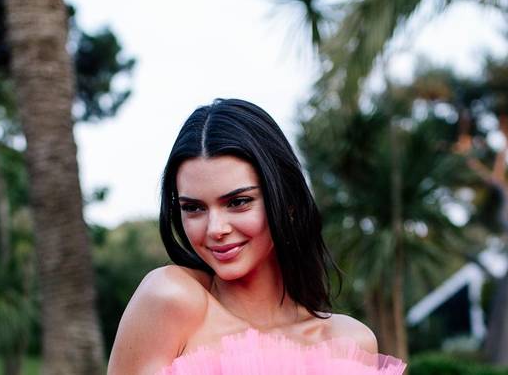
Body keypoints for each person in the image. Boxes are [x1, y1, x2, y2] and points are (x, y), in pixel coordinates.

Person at [107, 98, 406, 375]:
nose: (215, 229)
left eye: (238, 202)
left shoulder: (351, 343)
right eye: (194, 208)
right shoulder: (168, 298)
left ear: (288, 203)